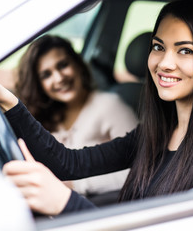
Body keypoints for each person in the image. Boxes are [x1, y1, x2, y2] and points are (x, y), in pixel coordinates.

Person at [0, 0, 193, 216]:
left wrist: (65, 203)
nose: (164, 63)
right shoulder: (158, 130)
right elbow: (68, 163)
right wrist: (6, 99)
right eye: (158, 47)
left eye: (185, 51)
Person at [15, 35, 138, 197]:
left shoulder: (110, 105)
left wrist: (74, 185)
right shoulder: (49, 115)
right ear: (38, 85)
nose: (59, 78)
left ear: (78, 64)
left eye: (63, 65)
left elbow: (142, 169)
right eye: (46, 75)